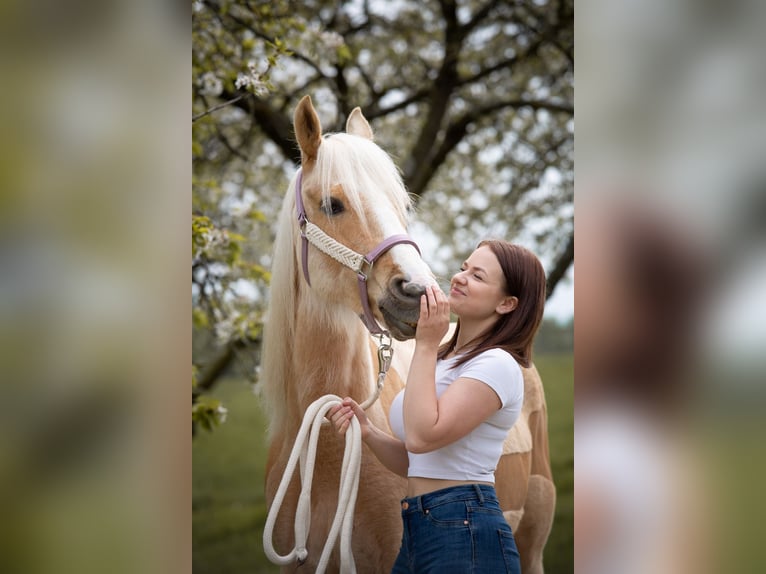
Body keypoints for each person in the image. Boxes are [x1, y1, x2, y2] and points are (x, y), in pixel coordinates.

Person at [328, 239, 547, 574]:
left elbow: (421, 436)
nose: (459, 278)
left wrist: (426, 344)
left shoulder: (497, 364)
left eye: (477, 276)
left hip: (465, 528)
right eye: (463, 268)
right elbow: (416, 461)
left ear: (506, 303)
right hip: (421, 526)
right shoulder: (447, 360)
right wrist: (368, 432)